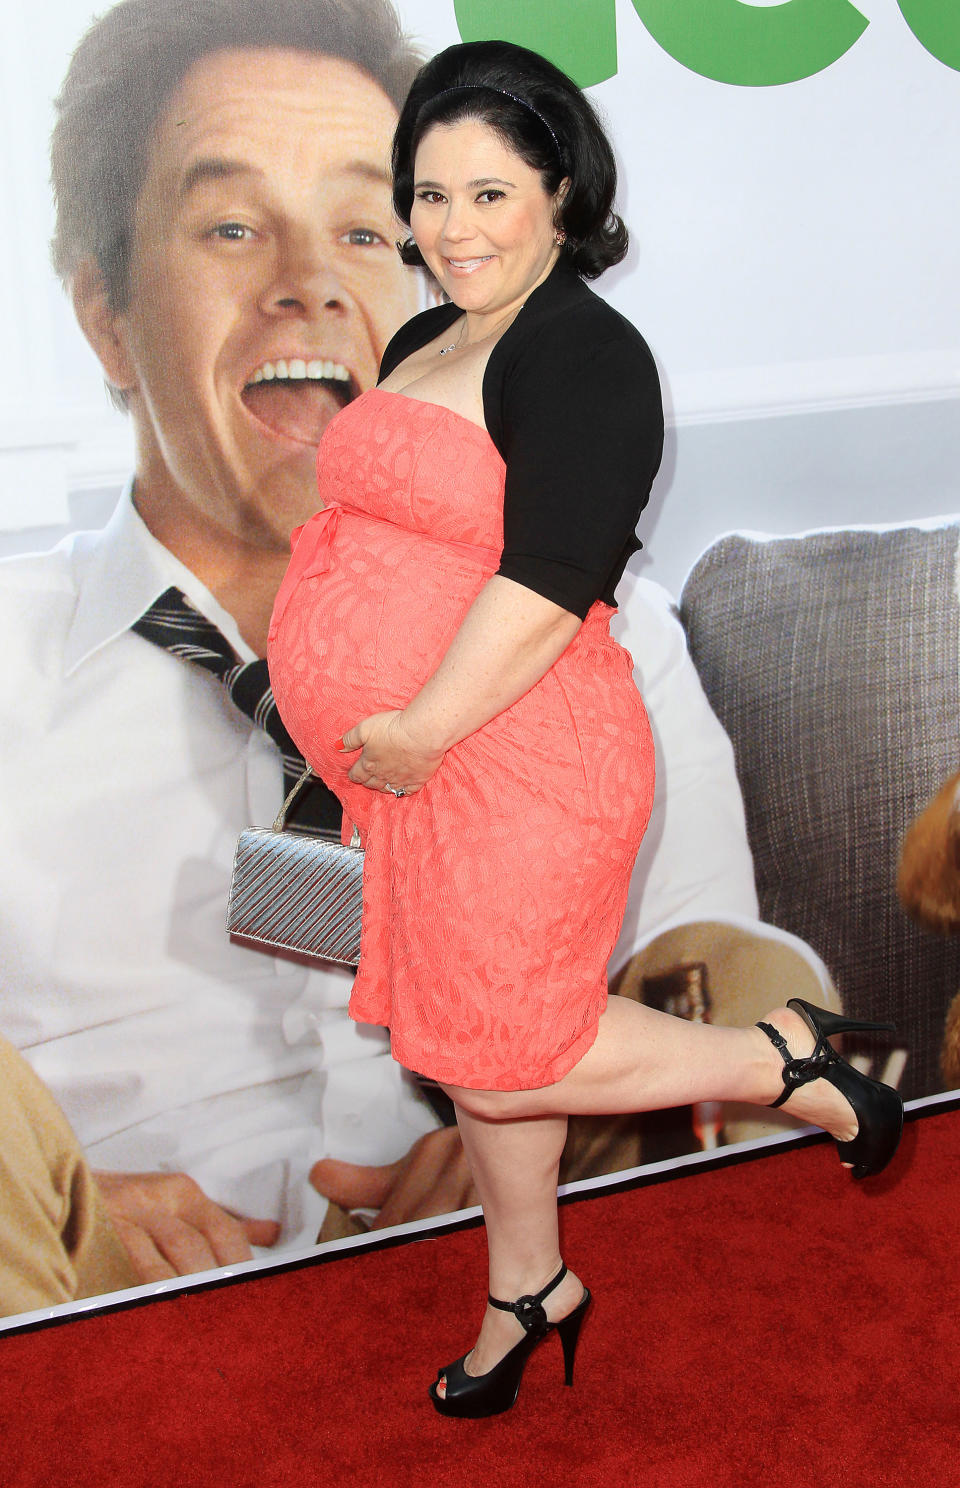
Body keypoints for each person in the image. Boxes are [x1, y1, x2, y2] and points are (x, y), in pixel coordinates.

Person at [267, 39, 905, 1417]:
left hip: (519, 761)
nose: (451, 228)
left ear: (561, 189)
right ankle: (529, 1288)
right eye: (429, 196)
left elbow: (554, 579)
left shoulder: (589, 356)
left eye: (489, 194)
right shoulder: (429, 333)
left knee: (518, 1045)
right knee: (476, 1059)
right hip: (421, 776)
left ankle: (781, 1064)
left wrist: (426, 726)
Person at [0, 0, 457, 1298]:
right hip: (101, 1327)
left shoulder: (579, 626)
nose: (310, 279)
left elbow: (723, 971)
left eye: (365, 230)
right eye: (234, 226)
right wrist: (65, 1204)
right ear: (106, 317)